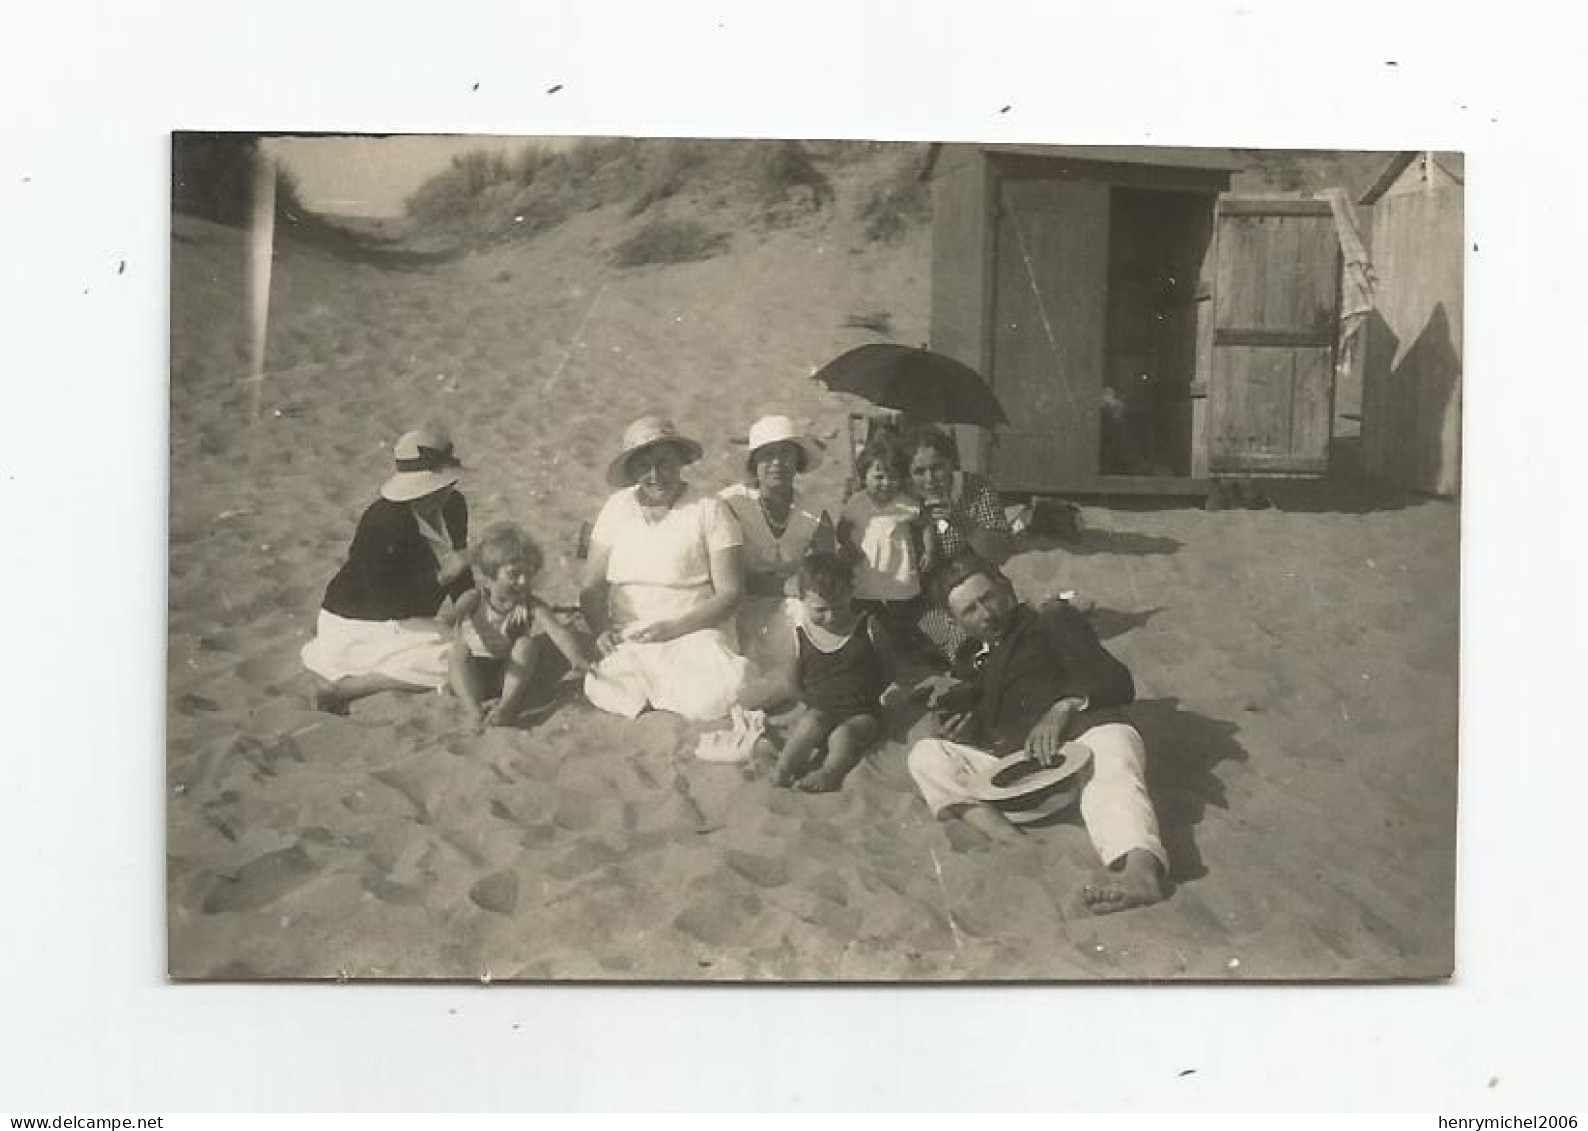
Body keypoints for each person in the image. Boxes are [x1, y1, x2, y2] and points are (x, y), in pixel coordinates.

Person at [905, 554, 1169, 915]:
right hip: (1023, 778)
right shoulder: (972, 658)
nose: (986, 614)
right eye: (971, 611)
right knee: (926, 755)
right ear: (958, 623)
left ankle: (1139, 870)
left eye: (989, 598)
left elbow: (1115, 680)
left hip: (1078, 752)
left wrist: (1063, 707)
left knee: (1113, 747)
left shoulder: (1051, 622)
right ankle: (1009, 840)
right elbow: (988, 718)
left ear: (1007, 589)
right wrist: (964, 729)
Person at [581, 416, 750, 721]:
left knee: (718, 692)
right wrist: (600, 629)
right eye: (644, 466)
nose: (655, 475)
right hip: (632, 633)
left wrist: (675, 628)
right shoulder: (617, 507)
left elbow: (731, 593)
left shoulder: (709, 508)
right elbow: (592, 585)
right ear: (632, 469)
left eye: (664, 463)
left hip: (695, 631)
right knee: (605, 686)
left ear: (680, 462)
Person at [302, 428, 473, 714]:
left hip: (408, 619)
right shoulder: (385, 522)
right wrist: (443, 578)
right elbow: (383, 600)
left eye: (449, 482)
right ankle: (348, 689)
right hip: (359, 620)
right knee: (452, 662)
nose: (447, 489)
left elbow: (461, 574)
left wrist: (466, 604)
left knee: (473, 650)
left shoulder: (454, 506)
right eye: (441, 484)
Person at [718, 413, 831, 707]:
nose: (777, 463)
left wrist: (802, 585)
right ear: (754, 464)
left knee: (808, 617)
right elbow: (722, 575)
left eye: (785, 455)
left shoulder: (814, 511)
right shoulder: (730, 505)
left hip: (787, 607)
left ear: (799, 462)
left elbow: (826, 571)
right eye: (767, 456)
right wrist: (785, 586)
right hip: (736, 605)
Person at [445, 522, 591, 731]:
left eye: (529, 575)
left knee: (525, 645)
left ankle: (505, 708)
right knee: (458, 652)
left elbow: (557, 632)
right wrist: (451, 626)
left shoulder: (531, 603)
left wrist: (577, 659)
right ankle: (474, 712)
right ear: (490, 574)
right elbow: (448, 619)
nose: (523, 582)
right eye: (514, 574)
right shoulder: (474, 598)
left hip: (509, 676)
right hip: (474, 673)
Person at [772, 551, 895, 793]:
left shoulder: (867, 627)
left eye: (839, 607)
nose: (831, 617)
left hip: (861, 712)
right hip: (819, 710)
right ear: (802, 600)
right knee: (808, 724)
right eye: (820, 610)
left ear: (851, 592)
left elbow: (888, 667)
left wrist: (872, 694)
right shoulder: (800, 635)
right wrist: (807, 702)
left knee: (844, 735)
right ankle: (784, 767)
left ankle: (830, 773)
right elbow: (793, 681)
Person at [903, 425, 1014, 666]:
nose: (930, 479)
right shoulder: (903, 502)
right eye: (919, 471)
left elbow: (1001, 553)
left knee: (1006, 630)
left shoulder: (976, 489)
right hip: (932, 599)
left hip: (981, 585)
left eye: (937, 468)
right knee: (964, 645)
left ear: (951, 463)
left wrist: (962, 523)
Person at [837, 429, 935, 644]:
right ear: (864, 477)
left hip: (898, 568)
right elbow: (842, 528)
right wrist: (849, 547)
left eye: (892, 477)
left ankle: (900, 648)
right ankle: (867, 645)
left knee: (900, 612)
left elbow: (926, 523)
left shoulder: (904, 502)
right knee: (865, 609)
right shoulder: (857, 502)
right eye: (878, 477)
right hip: (867, 567)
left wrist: (929, 550)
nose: (886, 483)